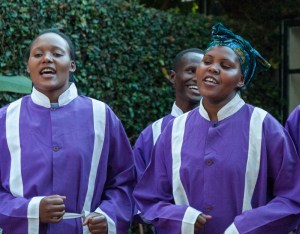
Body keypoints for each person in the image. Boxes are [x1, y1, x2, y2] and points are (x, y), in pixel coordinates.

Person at [133, 22, 300, 233]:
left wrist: (245, 226)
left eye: (226, 65)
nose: (212, 68)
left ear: (241, 79)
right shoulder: (174, 130)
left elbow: (292, 198)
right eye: (207, 61)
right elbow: (149, 198)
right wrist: (180, 217)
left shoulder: (265, 127)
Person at [0, 28, 135, 234]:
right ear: (28, 66)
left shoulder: (101, 115)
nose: (47, 59)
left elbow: (124, 179)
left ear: (72, 65)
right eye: (38, 54)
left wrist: (108, 216)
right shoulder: (5, 118)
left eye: (57, 53)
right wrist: (30, 210)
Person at [133, 48, 204, 182]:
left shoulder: (221, 130)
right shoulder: (152, 134)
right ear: (173, 77)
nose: (197, 79)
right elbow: (140, 192)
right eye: (191, 71)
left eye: (203, 74)